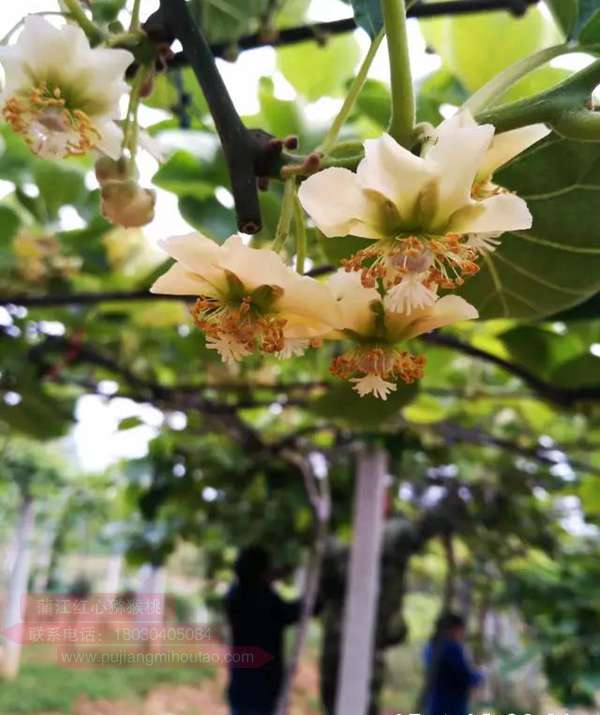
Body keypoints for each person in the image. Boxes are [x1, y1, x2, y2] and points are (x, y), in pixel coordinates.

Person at [224, 545, 301, 715]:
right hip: (263, 689)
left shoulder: (234, 595)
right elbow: (294, 612)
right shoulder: (265, 600)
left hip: (242, 686)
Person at [422, 612, 484, 715]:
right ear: (455, 629)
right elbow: (464, 676)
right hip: (452, 706)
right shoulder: (451, 648)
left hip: (434, 703)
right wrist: (480, 674)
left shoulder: (429, 647)